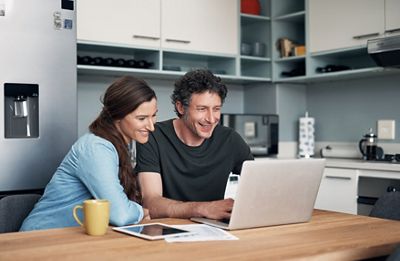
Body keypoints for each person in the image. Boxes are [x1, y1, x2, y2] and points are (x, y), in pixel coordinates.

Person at [20, 76, 157, 231]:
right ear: (117, 117)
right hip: (38, 239)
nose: (152, 127)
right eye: (142, 118)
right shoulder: (96, 147)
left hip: (71, 239)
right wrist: (141, 211)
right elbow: (120, 214)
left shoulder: (119, 146)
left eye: (153, 116)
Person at [136, 69, 254, 220]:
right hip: (169, 230)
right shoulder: (153, 137)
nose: (211, 119)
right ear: (180, 107)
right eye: (202, 109)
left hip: (215, 230)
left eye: (216, 109)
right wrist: (203, 209)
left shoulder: (230, 140)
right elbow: (151, 203)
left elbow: (261, 186)